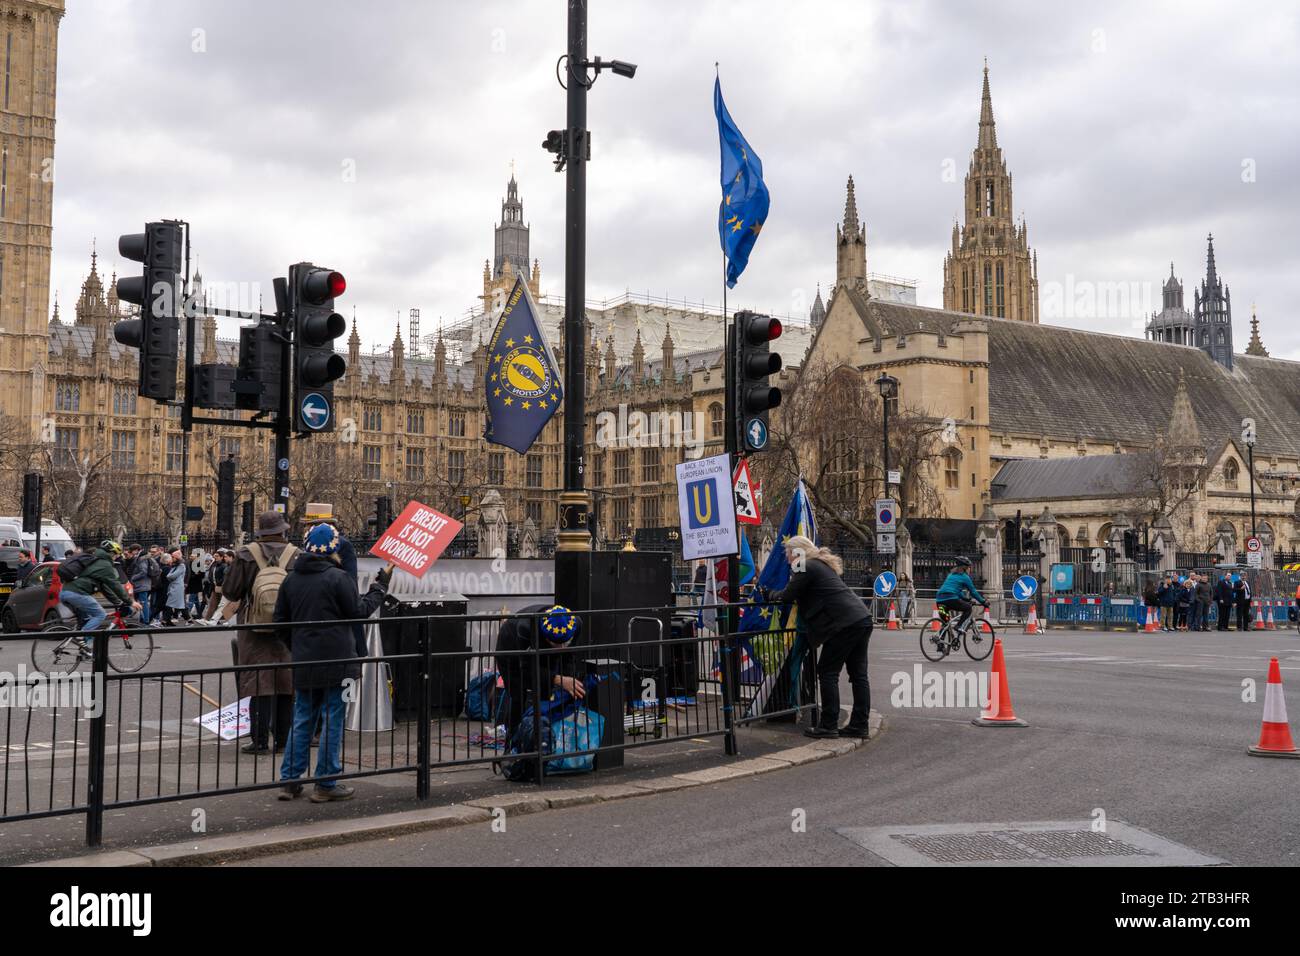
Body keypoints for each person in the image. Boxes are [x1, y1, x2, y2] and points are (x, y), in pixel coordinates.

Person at [274, 523, 391, 803]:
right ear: (334, 550)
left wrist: (297, 647)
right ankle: (326, 782)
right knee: (333, 719)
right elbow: (359, 612)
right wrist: (380, 586)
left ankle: (290, 780)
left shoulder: (291, 579)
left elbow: (280, 622)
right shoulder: (338, 578)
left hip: (304, 659)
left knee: (302, 717)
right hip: (338, 660)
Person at [761, 536, 872, 739]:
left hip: (843, 624)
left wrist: (768, 594)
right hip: (861, 618)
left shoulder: (804, 565)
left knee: (827, 672)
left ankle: (828, 725)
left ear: (796, 552)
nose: (786, 559)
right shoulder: (820, 564)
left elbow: (787, 595)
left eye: (787, 553)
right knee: (858, 675)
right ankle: (859, 725)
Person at [223, 512, 298, 756]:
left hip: (253, 627)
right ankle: (283, 740)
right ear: (283, 529)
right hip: (287, 626)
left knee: (257, 682)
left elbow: (231, 592)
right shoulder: (296, 555)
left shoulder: (246, 554)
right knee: (286, 682)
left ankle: (259, 740)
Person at [494, 604, 586, 737]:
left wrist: (568, 681)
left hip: (542, 648)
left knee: (552, 693)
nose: (561, 648)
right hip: (511, 650)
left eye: (565, 643)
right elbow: (527, 670)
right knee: (518, 694)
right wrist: (558, 679)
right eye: (556, 644)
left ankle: (545, 736)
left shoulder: (576, 624)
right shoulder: (526, 627)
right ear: (546, 637)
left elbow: (569, 658)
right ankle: (513, 739)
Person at [57, 540, 139, 644]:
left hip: (66, 592)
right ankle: (80, 637)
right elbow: (114, 585)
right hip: (77, 593)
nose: (116, 557)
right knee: (100, 615)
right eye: (116, 555)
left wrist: (119, 603)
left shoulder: (95, 561)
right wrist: (130, 602)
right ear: (111, 553)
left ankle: (86, 651)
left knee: (88, 622)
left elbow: (104, 588)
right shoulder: (104, 565)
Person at [934, 555, 988, 635]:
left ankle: (940, 645)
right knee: (968, 608)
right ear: (965, 568)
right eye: (969, 567)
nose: (970, 569)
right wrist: (983, 601)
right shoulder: (965, 577)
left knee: (945, 623)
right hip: (951, 599)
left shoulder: (951, 575)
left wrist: (966, 599)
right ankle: (958, 626)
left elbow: (958, 592)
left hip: (939, 601)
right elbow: (973, 591)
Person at [123, 543, 157, 626]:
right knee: (139, 602)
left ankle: (146, 621)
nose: (132, 553)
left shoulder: (142, 558)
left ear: (136, 550)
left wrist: (133, 578)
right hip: (142, 584)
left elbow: (143, 572)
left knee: (143, 603)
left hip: (142, 584)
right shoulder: (142, 557)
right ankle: (144, 619)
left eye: (132, 551)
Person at [163, 551, 188, 626]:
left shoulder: (181, 566)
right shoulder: (175, 566)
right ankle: (167, 621)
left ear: (177, 558)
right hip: (173, 587)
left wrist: (169, 576)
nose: (172, 558)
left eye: (173, 557)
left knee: (172, 604)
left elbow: (172, 576)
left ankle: (165, 621)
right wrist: (169, 576)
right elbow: (169, 575)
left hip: (177, 587)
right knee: (177, 605)